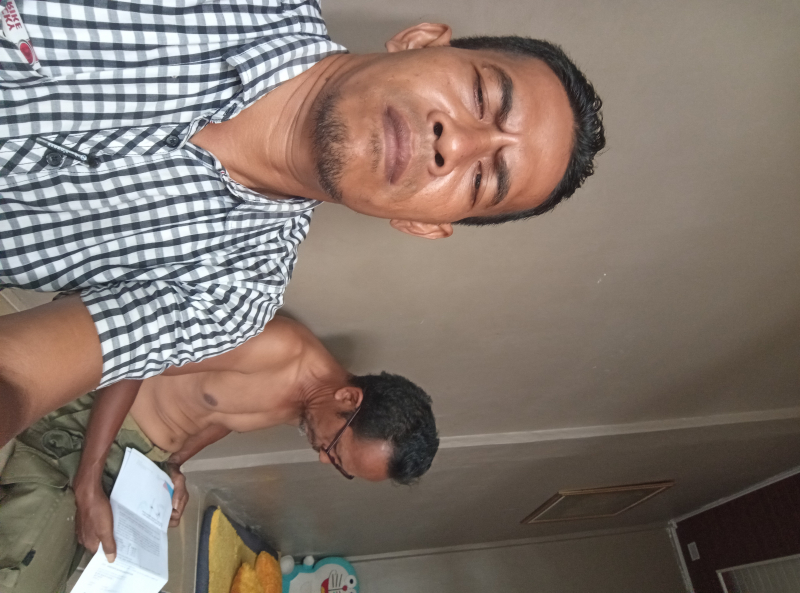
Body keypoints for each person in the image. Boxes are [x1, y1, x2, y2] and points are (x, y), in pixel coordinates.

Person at [0, 0, 605, 444]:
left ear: (421, 223)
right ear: (420, 41)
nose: (457, 144)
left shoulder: (233, 296)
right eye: (481, 97)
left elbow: (21, 376)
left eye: (482, 180)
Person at [0, 315, 438, 593]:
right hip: (90, 431)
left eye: (339, 467)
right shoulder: (275, 348)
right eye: (335, 450)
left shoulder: (310, 407)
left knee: (79, 565)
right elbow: (131, 352)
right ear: (348, 397)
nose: (324, 458)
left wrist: (172, 466)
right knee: (23, 569)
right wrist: (87, 483)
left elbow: (224, 415)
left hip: (138, 462)